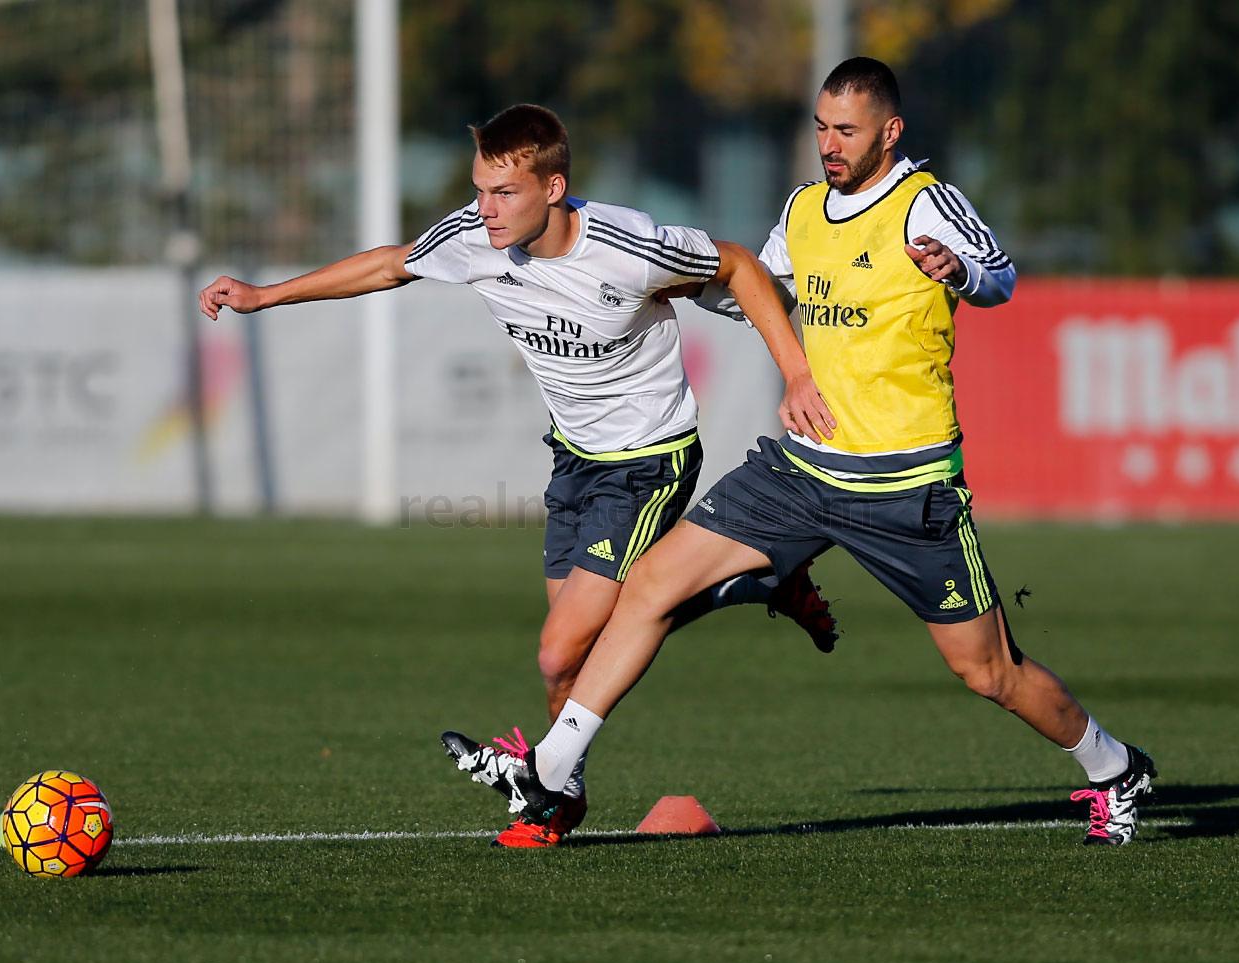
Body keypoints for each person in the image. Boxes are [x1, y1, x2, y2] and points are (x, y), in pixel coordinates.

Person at [442, 61, 1157, 848]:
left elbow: (1002, 277)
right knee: (648, 584)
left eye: (846, 129)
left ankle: (1114, 766)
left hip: (905, 485)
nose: (829, 143)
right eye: (821, 127)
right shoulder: (805, 208)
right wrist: (686, 286)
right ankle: (550, 770)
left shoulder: (926, 202)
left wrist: (961, 271)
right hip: (803, 469)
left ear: (890, 131)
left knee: (989, 672)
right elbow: (762, 292)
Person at [198, 104, 840, 849]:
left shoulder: (626, 245)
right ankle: (738, 599)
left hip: (648, 461)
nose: (486, 210)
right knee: (570, 663)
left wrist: (796, 372)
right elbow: (388, 264)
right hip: (572, 460)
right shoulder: (477, 239)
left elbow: (735, 264)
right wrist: (265, 295)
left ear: (554, 187)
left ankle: (548, 792)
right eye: (480, 191)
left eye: (504, 193)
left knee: (559, 648)